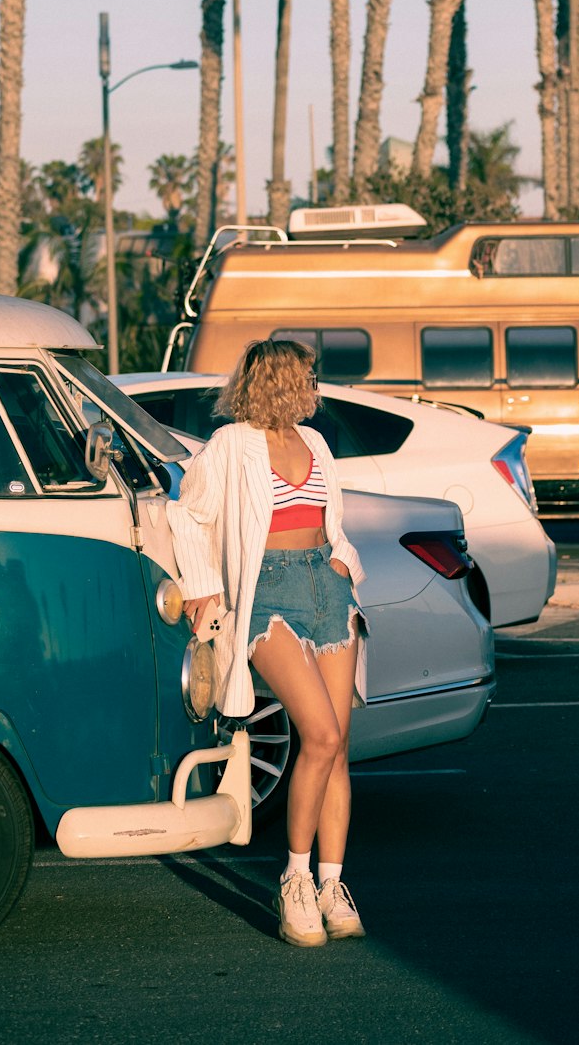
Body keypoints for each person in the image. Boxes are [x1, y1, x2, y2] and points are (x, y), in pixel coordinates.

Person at [167, 339, 369, 948]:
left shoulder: (316, 444)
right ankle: (296, 878)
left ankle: (333, 886)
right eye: (308, 374)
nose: (315, 384)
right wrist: (203, 589)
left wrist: (342, 559)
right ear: (281, 379)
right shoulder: (231, 444)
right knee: (321, 734)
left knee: (339, 750)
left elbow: (332, 521)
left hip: (327, 589)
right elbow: (189, 515)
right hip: (268, 595)